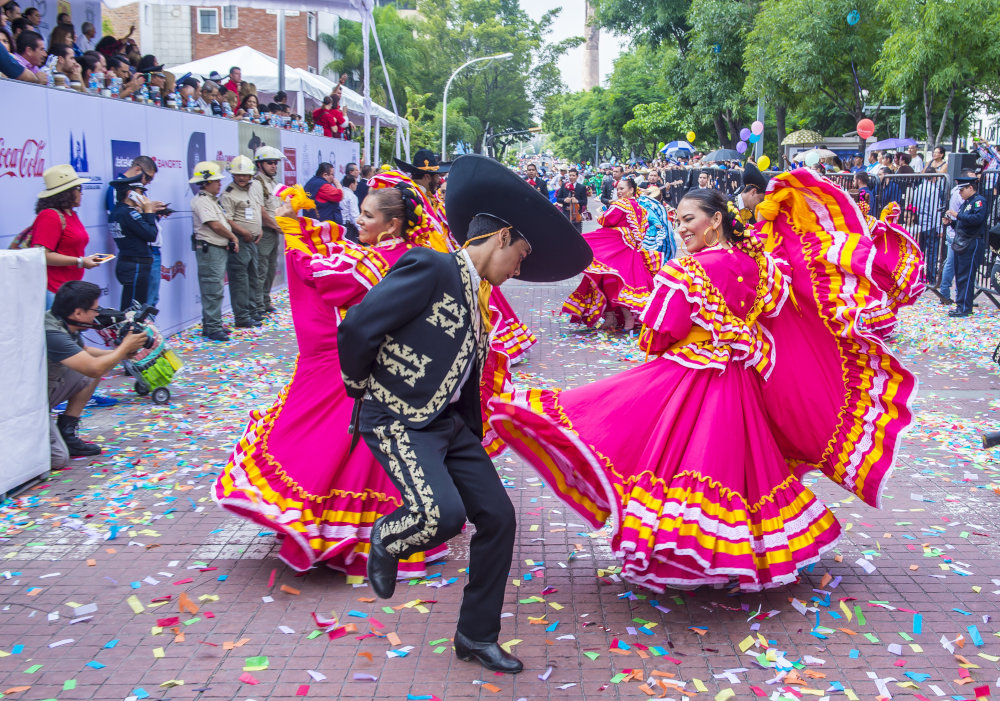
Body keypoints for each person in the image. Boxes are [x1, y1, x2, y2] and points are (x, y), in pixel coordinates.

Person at [488, 172, 917, 593]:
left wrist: (681, 339)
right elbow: (773, 317)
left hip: (690, 381)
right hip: (743, 386)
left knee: (665, 454)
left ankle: (694, 557)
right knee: (739, 471)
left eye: (689, 218)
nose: (681, 227)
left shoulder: (687, 270)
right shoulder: (759, 267)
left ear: (714, 220)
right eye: (678, 219)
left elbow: (657, 333)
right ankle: (734, 556)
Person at [339, 154, 591, 674]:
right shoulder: (430, 266)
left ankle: (476, 635)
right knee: (442, 515)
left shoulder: (481, 298)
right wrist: (363, 389)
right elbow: (357, 329)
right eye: (519, 255)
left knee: (498, 518)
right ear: (500, 237)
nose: (519, 269)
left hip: (450, 428)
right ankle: (387, 537)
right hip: (398, 417)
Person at [215, 184, 459, 577]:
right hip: (397, 373)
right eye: (360, 212)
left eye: (368, 216)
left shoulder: (382, 261)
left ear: (392, 224)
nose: (358, 221)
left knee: (336, 447)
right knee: (377, 457)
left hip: (359, 369)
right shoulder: (413, 256)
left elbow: (330, 282)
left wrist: (295, 236)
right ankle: (382, 535)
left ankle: (344, 535)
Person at [46, 281, 148, 467]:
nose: (98, 314)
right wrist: (124, 346)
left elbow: (85, 351)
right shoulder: (53, 333)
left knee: (94, 370)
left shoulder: (64, 321)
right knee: (58, 459)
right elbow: (93, 367)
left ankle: (66, 431)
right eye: (94, 310)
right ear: (78, 313)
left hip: (48, 387)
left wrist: (124, 354)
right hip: (31, 404)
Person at [563, 177, 658, 331]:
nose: (619, 192)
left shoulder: (620, 204)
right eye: (618, 189)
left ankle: (619, 316)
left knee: (610, 280)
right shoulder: (642, 210)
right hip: (631, 251)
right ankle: (613, 317)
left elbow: (606, 220)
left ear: (632, 190)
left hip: (616, 247)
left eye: (622, 189)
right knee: (617, 281)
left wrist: (601, 213)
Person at [30, 165, 103, 306]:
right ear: (67, 192)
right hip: (54, 290)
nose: (82, 193)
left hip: (71, 289)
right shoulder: (50, 215)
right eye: (79, 189)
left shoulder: (71, 214)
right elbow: (42, 255)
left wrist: (83, 260)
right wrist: (80, 261)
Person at [190, 160, 240, 341]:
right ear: (206, 182)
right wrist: (233, 237)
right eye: (216, 181)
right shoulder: (202, 201)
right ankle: (212, 327)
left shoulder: (211, 200)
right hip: (209, 248)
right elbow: (214, 224)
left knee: (216, 287)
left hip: (216, 248)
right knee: (212, 288)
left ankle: (213, 323)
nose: (220, 184)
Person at [220, 155, 265, 328]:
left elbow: (254, 212)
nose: (241, 178)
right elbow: (227, 220)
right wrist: (244, 232)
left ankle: (252, 311)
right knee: (240, 281)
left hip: (253, 240)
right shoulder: (229, 193)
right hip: (240, 240)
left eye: (245, 175)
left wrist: (258, 229)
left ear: (251, 176)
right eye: (238, 174)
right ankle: (242, 316)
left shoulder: (252, 189)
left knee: (253, 277)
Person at [108, 175, 162, 310]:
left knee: (133, 306)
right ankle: (129, 331)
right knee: (132, 310)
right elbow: (151, 235)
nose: (144, 196)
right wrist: (149, 212)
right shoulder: (128, 213)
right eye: (140, 192)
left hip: (130, 263)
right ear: (130, 193)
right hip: (135, 265)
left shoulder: (117, 212)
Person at [946, 176, 988, 318]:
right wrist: (950, 222)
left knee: (967, 275)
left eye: (962, 189)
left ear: (971, 188)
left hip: (972, 241)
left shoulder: (979, 201)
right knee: (960, 275)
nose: (960, 193)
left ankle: (964, 307)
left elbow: (977, 219)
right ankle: (961, 305)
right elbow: (962, 224)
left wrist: (957, 215)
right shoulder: (966, 203)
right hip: (963, 241)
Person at [253, 146, 285, 315]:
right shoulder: (257, 183)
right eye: (269, 163)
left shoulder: (273, 183)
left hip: (274, 232)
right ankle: (258, 305)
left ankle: (265, 301)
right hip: (265, 231)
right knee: (261, 270)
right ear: (260, 164)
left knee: (271, 269)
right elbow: (261, 211)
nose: (274, 166)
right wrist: (276, 226)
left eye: (275, 163)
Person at [637, 186, 675, 259]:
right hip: (646, 229)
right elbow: (648, 212)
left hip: (648, 229)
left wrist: (656, 222)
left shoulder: (644, 201)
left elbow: (648, 212)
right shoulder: (644, 200)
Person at [730, 162, 768, 228]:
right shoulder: (726, 206)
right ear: (753, 192)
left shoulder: (755, 217)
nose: (761, 205)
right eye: (760, 200)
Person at [556, 167, 588, 233]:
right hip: (566, 214)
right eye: (570, 175)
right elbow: (558, 199)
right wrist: (564, 200)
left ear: (577, 176)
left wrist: (577, 201)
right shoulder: (564, 185)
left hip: (576, 215)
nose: (571, 177)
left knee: (578, 235)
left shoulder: (581, 187)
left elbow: (585, 202)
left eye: (573, 175)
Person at [340, 173, 360, 241]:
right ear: (351, 184)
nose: (357, 184)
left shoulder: (339, 192)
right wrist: (360, 228)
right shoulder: (352, 196)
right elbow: (354, 215)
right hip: (348, 228)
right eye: (356, 182)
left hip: (340, 224)